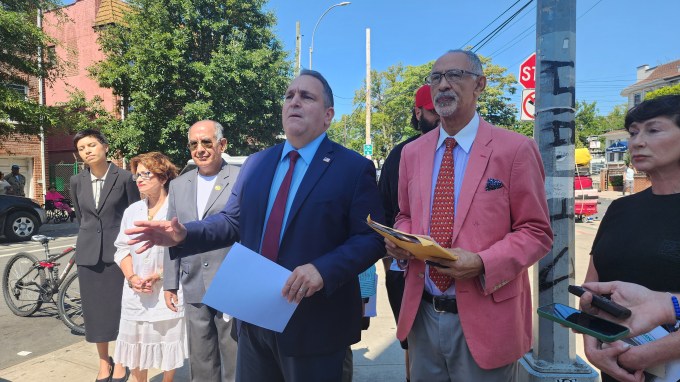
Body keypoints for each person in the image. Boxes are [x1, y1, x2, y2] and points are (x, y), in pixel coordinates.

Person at [126, 70, 385, 382]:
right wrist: (185, 234)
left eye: (306, 96)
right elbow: (232, 221)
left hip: (314, 324)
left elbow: (371, 238)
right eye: (289, 96)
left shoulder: (353, 168)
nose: (294, 102)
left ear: (328, 115)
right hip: (253, 318)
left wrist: (323, 270)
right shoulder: (257, 163)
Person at [384, 50, 553, 382]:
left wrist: (482, 263)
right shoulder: (412, 153)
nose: (443, 85)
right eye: (436, 78)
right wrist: (400, 240)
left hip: (487, 316)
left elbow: (537, 232)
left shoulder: (515, 149)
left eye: (455, 75)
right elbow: (404, 214)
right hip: (423, 313)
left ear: (480, 85)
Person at [582, 94, 680, 382]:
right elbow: (593, 289)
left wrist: (650, 353)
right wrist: (591, 345)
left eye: (653, 129)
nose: (636, 142)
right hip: (615, 368)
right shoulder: (620, 208)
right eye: (633, 132)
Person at [162, 120, 239, 382]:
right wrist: (170, 283)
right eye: (193, 144)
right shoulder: (178, 185)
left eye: (206, 142)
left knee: (234, 356)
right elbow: (171, 234)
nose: (200, 149)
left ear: (222, 144)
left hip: (231, 281)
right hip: (193, 281)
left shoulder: (241, 179)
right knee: (201, 357)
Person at [377, 84, 440, 381]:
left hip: (461, 276)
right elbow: (386, 213)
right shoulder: (402, 155)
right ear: (418, 112)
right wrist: (395, 253)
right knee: (412, 346)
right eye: (432, 110)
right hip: (408, 270)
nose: (440, 115)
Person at [70, 129, 141, 382]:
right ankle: (103, 362)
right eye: (81, 148)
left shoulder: (125, 179)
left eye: (91, 145)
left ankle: (121, 360)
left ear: (105, 147)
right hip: (89, 254)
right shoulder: (76, 181)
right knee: (95, 311)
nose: (87, 151)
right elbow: (82, 218)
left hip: (119, 256)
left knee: (120, 310)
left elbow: (134, 217)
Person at [113, 152, 187, 382]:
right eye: (137, 175)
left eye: (147, 173)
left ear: (163, 178)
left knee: (168, 342)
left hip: (167, 289)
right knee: (135, 346)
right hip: (135, 291)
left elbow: (185, 252)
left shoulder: (178, 210)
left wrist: (159, 276)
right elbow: (122, 248)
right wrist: (132, 277)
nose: (140, 179)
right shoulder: (132, 211)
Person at [578, 281, 680, 341]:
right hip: (607, 336)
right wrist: (592, 348)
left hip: (666, 362)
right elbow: (590, 284)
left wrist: (651, 354)